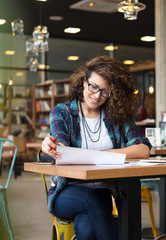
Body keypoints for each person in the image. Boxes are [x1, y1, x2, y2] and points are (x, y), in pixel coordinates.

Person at [41, 56, 152, 240]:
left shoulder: (116, 116)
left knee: (86, 229)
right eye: (93, 87)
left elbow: (143, 149)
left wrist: (99, 155)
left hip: (102, 193)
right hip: (67, 192)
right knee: (92, 200)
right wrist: (50, 146)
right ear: (84, 82)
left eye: (105, 92)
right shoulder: (63, 112)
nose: (97, 95)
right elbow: (61, 147)